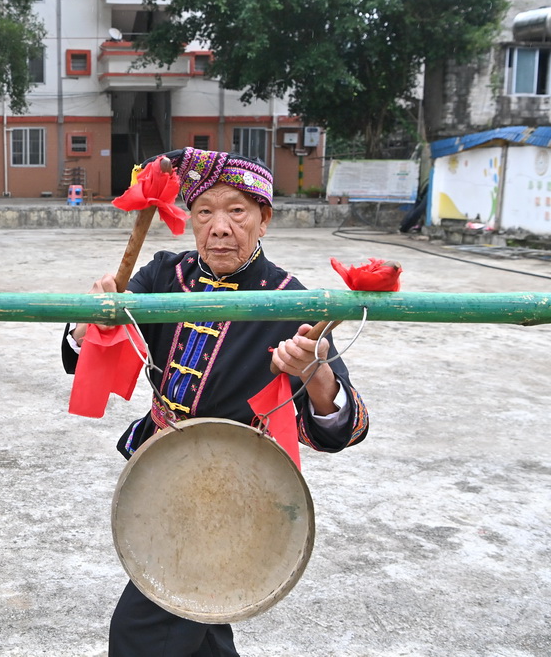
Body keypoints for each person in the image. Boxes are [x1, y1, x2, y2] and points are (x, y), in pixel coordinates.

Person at [62, 147, 370, 657]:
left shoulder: (291, 301)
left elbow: (343, 429)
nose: (219, 227)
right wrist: (93, 319)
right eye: (204, 211)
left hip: (231, 485)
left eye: (237, 211)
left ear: (265, 220)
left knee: (145, 628)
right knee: (199, 616)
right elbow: (83, 356)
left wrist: (313, 369)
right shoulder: (164, 276)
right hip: (163, 469)